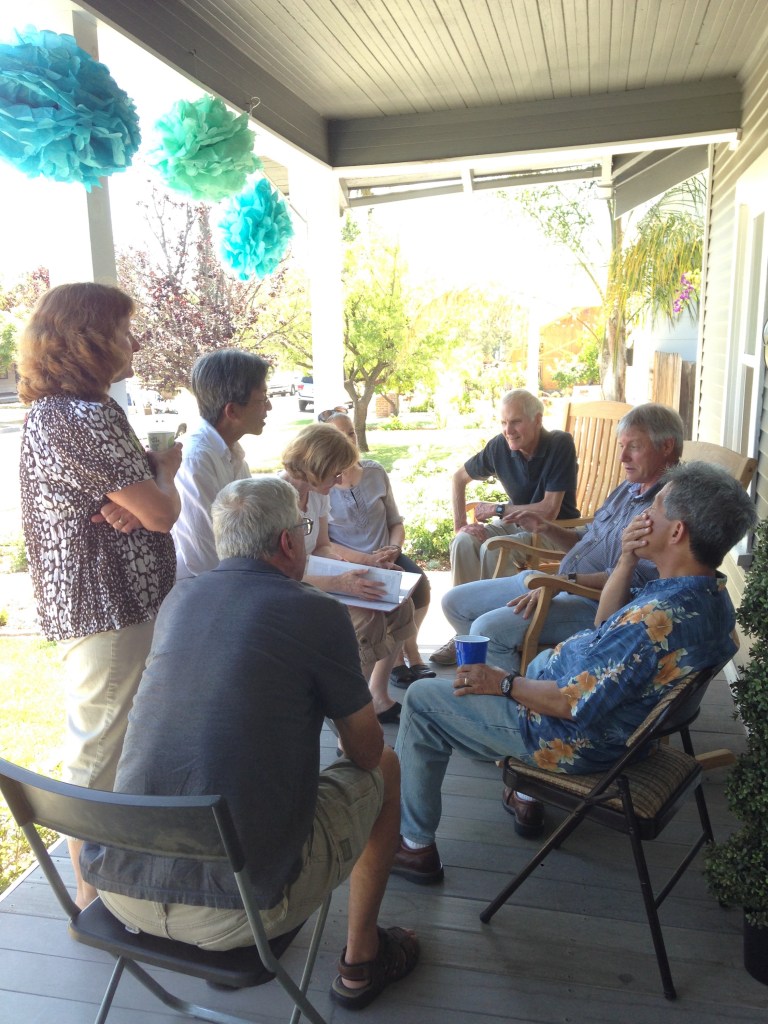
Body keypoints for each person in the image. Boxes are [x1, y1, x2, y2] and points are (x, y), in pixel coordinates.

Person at [81, 476, 419, 1009]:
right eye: (304, 530)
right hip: (239, 909)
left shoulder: (180, 600)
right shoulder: (316, 611)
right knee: (389, 768)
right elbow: (366, 753)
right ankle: (362, 959)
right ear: (288, 542)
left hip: (120, 890)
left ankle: (225, 935)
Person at [390, 462, 757, 884]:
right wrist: (625, 560)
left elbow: (570, 704)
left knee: (421, 701)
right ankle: (522, 791)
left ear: (677, 532)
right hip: (615, 724)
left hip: (571, 738)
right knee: (522, 663)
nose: (642, 515)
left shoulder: (653, 624)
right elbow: (604, 627)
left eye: (655, 506)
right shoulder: (707, 595)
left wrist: (503, 682)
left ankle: (415, 847)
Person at [17, 282, 181, 907]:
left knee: (116, 738)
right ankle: (90, 898)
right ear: (88, 339)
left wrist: (138, 499)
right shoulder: (82, 416)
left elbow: (138, 502)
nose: (133, 341)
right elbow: (163, 512)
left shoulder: (64, 413)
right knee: (99, 748)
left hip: (105, 604)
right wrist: (156, 482)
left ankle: (113, 878)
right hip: (107, 606)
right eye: (122, 331)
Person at [442, 403, 684, 677]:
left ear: (666, 447)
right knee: (454, 603)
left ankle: (517, 698)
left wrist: (561, 582)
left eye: (634, 447)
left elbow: (637, 580)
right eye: (621, 446)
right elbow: (586, 539)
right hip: (559, 582)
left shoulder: (665, 510)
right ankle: (490, 672)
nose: (622, 457)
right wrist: (546, 528)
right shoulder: (628, 488)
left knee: (486, 629)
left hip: (592, 601)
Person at [430, 389, 579, 665]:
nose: (508, 430)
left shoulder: (559, 444)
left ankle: (498, 634)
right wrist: (461, 526)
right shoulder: (500, 446)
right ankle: (465, 635)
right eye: (503, 422)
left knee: (494, 549)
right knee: (464, 542)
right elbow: (458, 478)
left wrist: (497, 509)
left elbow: (549, 510)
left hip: (555, 531)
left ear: (537, 420)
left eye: (516, 422)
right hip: (515, 525)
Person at [281, 423, 415, 721]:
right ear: (317, 466)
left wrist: (365, 566)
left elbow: (323, 547)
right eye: (335, 472)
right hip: (286, 591)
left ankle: (376, 697)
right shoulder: (278, 498)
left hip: (314, 578)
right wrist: (340, 582)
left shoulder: (317, 493)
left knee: (398, 601)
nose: (340, 479)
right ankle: (349, 715)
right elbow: (280, 572)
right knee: (367, 617)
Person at [324, 411, 433, 687]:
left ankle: (412, 653)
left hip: (385, 553)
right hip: (348, 560)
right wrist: (366, 559)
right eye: (340, 435)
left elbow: (395, 522)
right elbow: (324, 543)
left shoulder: (374, 471)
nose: (349, 440)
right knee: (387, 597)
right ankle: (395, 662)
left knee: (418, 586)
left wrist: (394, 548)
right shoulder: (323, 484)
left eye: (351, 433)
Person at [173, 349, 271, 579]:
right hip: (202, 592)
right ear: (233, 410)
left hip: (231, 580)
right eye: (263, 399)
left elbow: (251, 532)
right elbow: (204, 558)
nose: (268, 408)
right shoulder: (196, 459)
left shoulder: (231, 452)